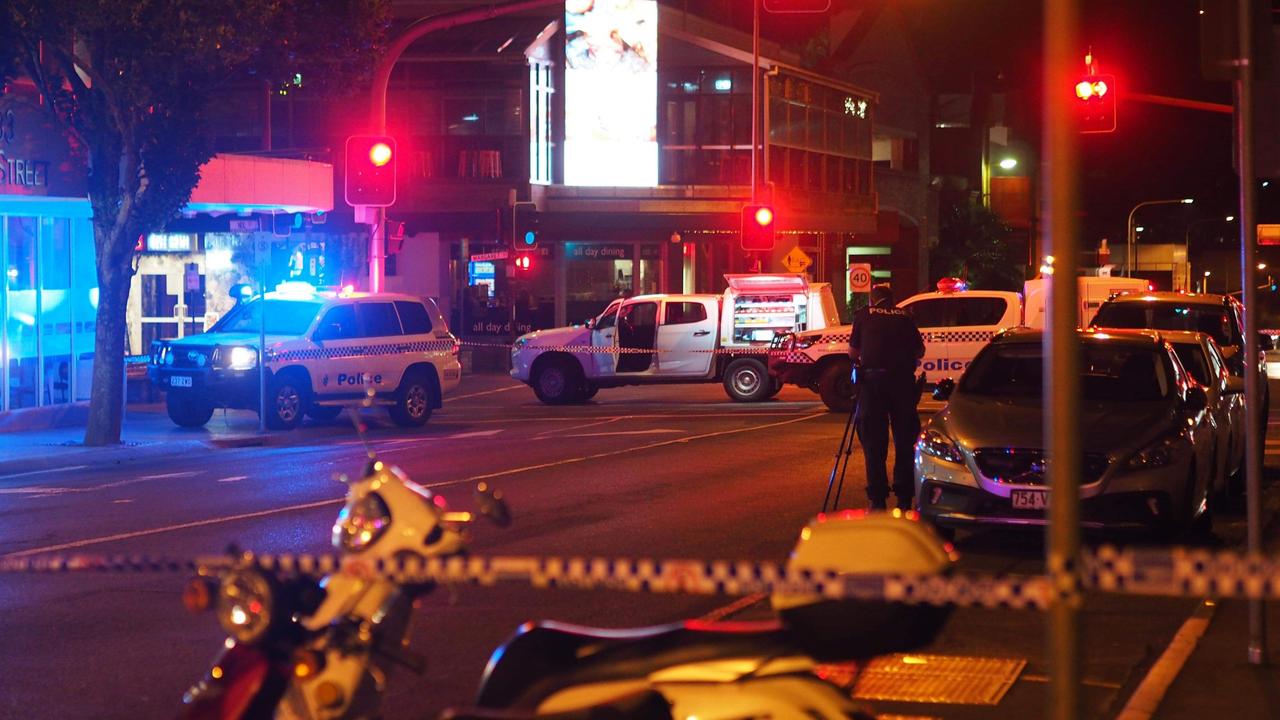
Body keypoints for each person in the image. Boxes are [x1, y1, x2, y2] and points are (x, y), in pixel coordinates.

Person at [849, 284, 925, 511]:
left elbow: (853, 353)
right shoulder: (906, 316)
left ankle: (878, 498)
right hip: (902, 385)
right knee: (904, 441)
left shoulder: (863, 315)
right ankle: (904, 498)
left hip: (873, 386)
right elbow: (919, 351)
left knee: (874, 443)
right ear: (893, 301)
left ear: (873, 300)